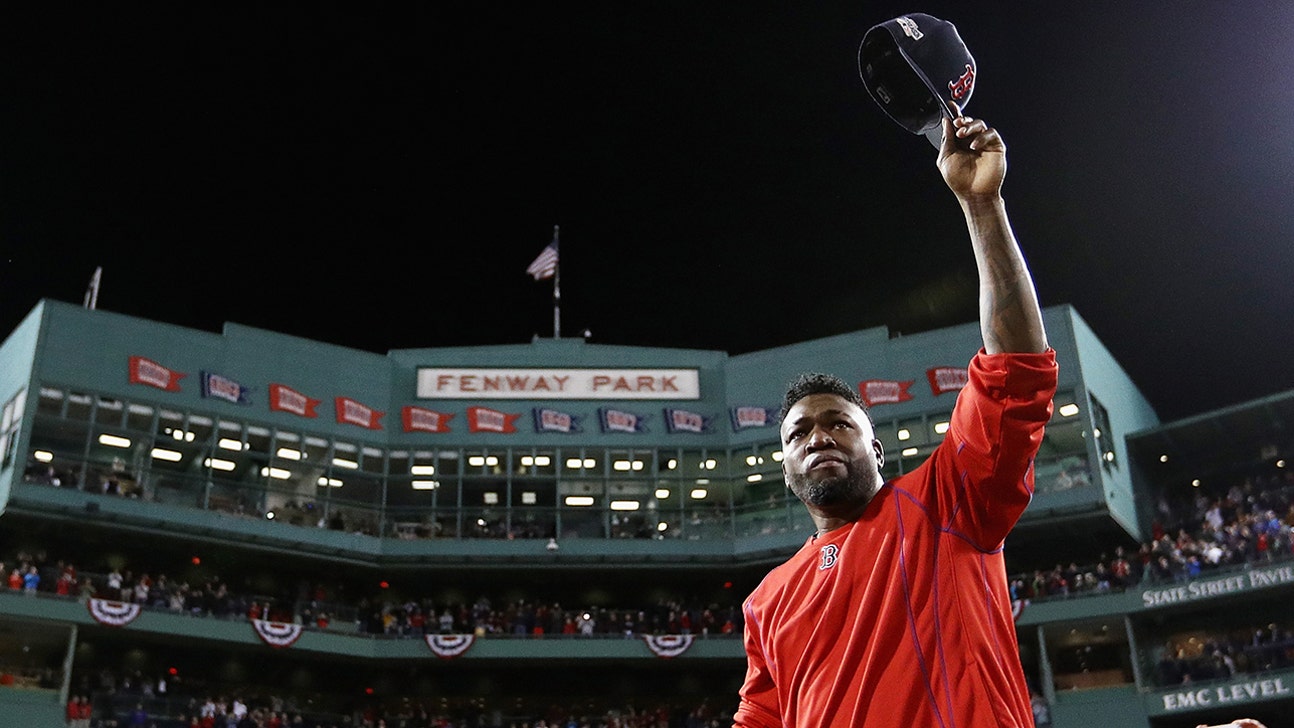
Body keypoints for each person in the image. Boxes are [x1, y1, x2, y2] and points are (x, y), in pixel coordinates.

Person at [733, 105, 1056, 727]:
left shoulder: (948, 502)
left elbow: (1016, 368)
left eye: (839, 423)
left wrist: (981, 205)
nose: (819, 436)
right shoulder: (765, 603)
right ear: (784, 467)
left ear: (878, 450)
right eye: (799, 432)